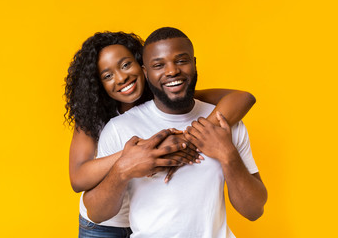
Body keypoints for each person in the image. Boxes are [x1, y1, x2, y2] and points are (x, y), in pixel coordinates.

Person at [65, 31, 256, 237]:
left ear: (143, 66)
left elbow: (242, 97)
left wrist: (189, 138)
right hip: (106, 224)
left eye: (126, 65)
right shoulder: (97, 116)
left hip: (145, 220)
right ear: (98, 84)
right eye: (108, 75)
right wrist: (143, 153)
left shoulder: (166, 93)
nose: (121, 78)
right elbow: (78, 179)